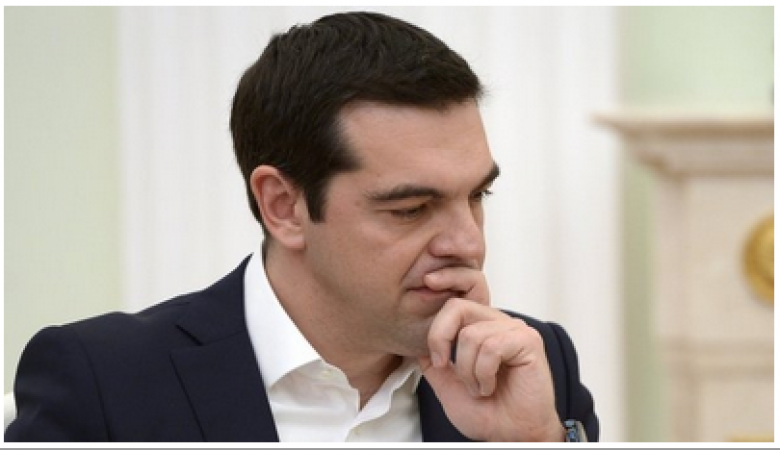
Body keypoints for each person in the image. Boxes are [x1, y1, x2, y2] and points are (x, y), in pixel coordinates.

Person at [6, 11, 598, 442]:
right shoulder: (103, 382)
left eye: (477, 195)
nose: (468, 242)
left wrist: (535, 442)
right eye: (411, 209)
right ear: (283, 206)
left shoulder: (532, 364)